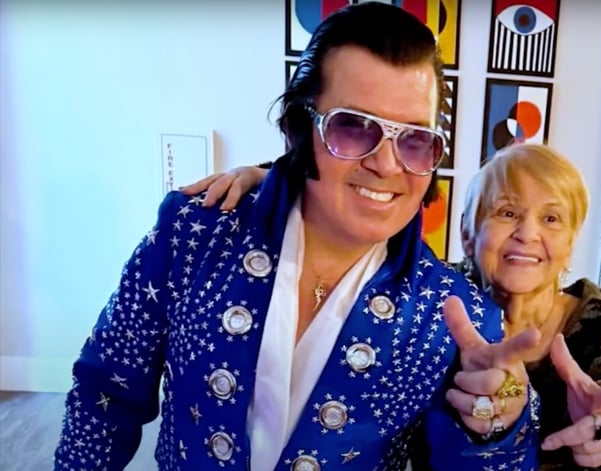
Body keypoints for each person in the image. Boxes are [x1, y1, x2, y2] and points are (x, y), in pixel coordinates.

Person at [54, 4, 546, 470]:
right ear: (297, 128)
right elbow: (105, 394)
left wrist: (497, 425)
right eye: (353, 128)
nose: (386, 163)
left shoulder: (458, 316)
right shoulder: (194, 235)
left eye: (414, 139)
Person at [187, 144, 601, 470]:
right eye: (507, 212)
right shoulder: (429, 301)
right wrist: (277, 182)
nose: (528, 234)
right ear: (467, 231)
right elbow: (366, 219)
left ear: (572, 242)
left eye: (551, 218)